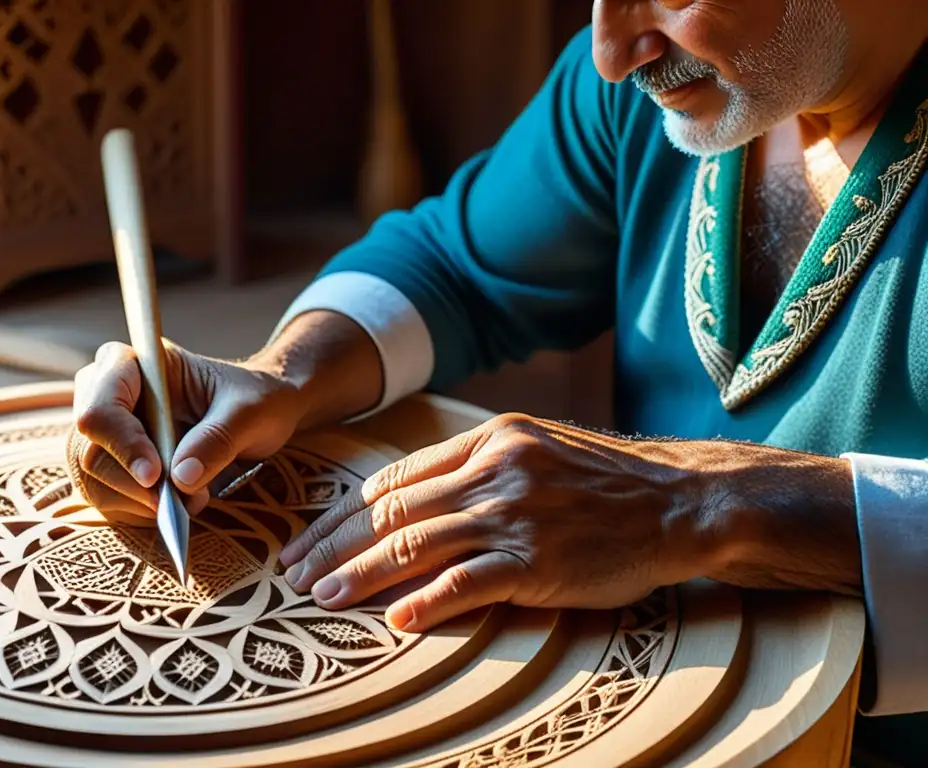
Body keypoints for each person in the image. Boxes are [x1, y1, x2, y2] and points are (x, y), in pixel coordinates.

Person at [67, 0, 927, 762]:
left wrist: (693, 503)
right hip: (657, 684)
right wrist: (280, 376)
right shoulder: (648, 89)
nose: (611, 51)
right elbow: (455, 266)